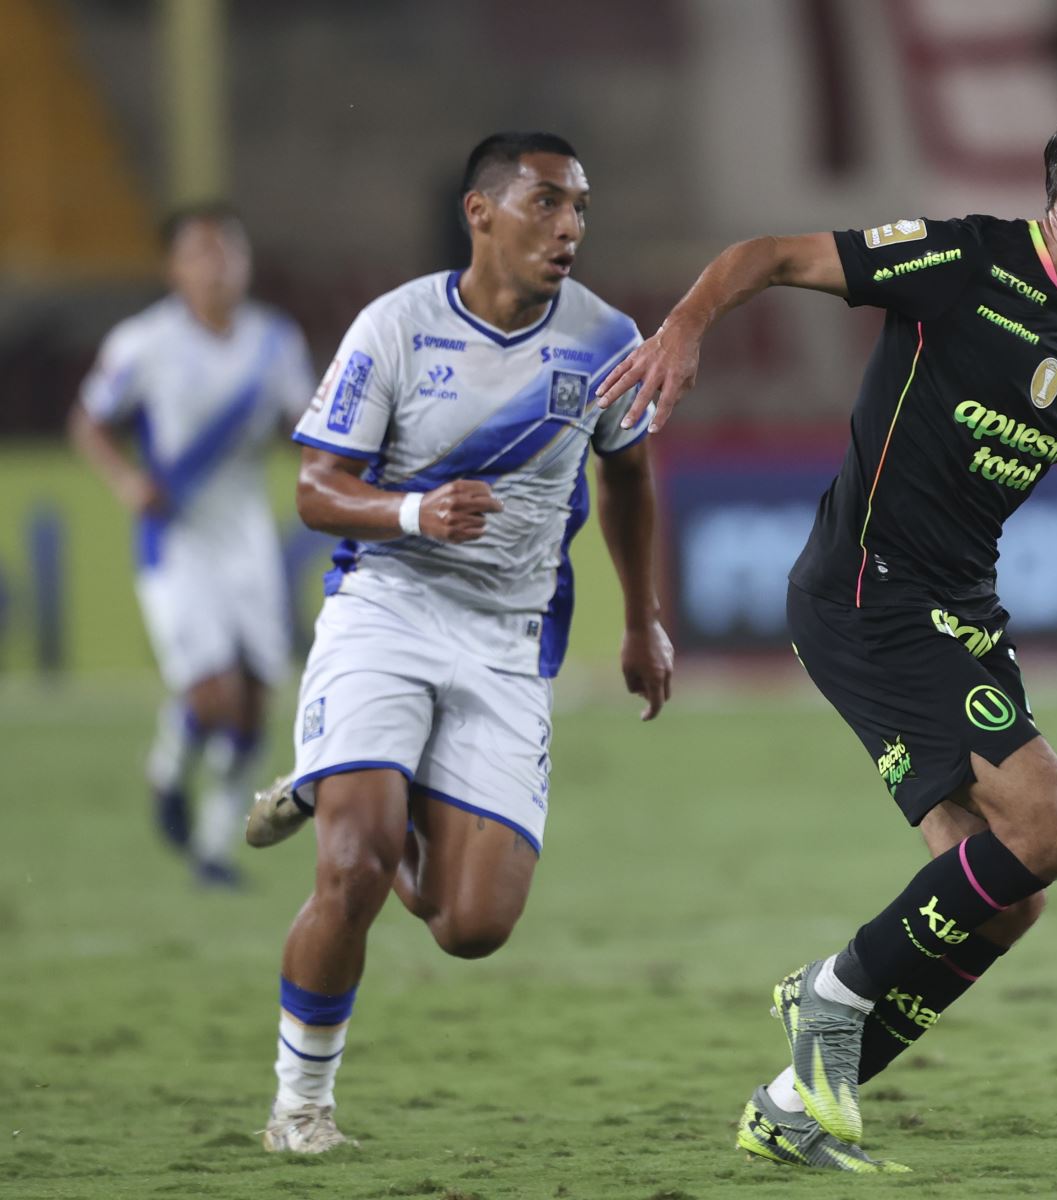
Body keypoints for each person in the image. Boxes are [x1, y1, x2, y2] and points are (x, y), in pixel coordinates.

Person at [596, 86, 1057, 1173]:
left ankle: (792, 1104)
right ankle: (828, 994)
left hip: (958, 611)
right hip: (866, 595)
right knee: (1053, 824)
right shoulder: (964, 261)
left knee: (1004, 904)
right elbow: (769, 256)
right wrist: (683, 327)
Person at [242, 132, 674, 1153]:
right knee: (353, 868)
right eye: (545, 202)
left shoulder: (605, 338)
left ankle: (342, 779)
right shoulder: (394, 327)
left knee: (471, 926)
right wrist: (413, 513)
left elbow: (627, 478)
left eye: (579, 208)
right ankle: (300, 1107)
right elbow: (316, 489)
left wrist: (640, 617)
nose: (568, 227)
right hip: (385, 610)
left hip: (508, 639)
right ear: (480, 212)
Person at [70, 202, 316, 886]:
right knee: (211, 695)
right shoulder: (143, 343)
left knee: (256, 698)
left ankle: (213, 847)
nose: (219, 266)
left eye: (229, 251)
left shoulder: (275, 341)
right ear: (173, 268)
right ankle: (169, 769)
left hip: (247, 537)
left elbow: (304, 428)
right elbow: (89, 421)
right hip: (176, 539)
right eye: (202, 252)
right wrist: (127, 482)